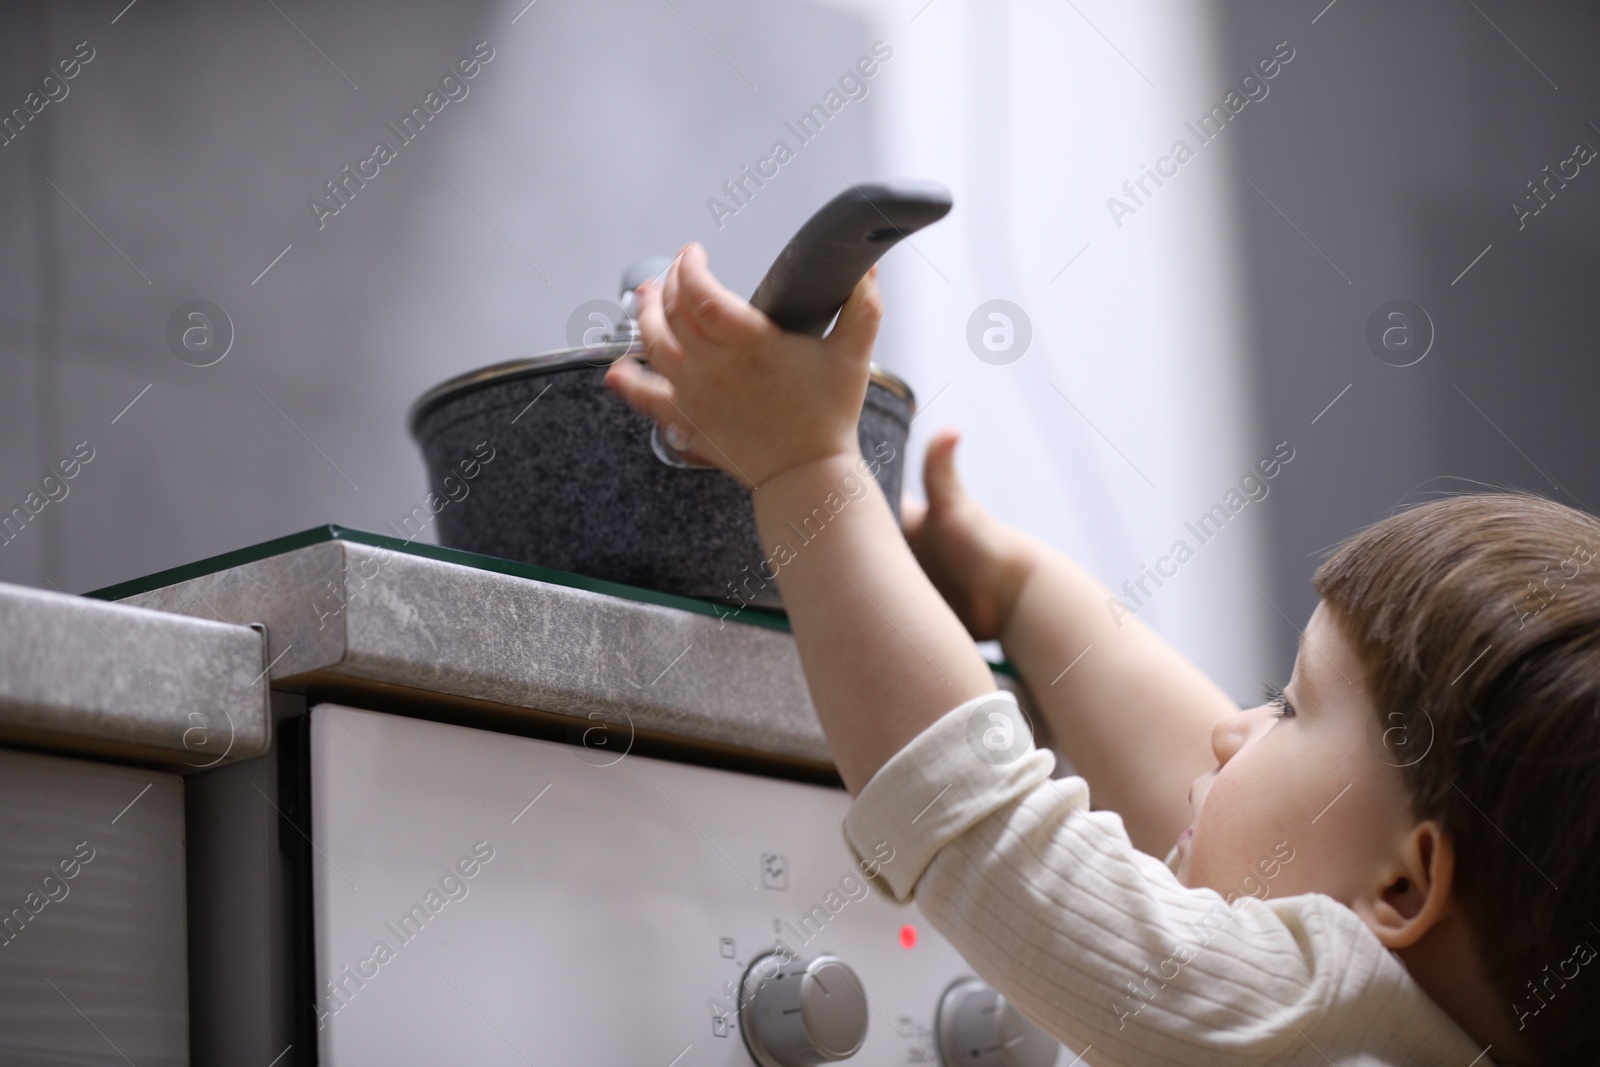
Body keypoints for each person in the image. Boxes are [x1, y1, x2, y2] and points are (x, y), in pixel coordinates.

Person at [605, 242, 1599, 1065]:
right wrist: (1025, 591)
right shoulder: (1384, 1031)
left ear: (1402, 888)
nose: (1227, 725)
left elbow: (991, 822)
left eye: (1287, 707)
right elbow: (1205, 815)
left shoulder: (1312, 1019)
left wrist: (804, 466)